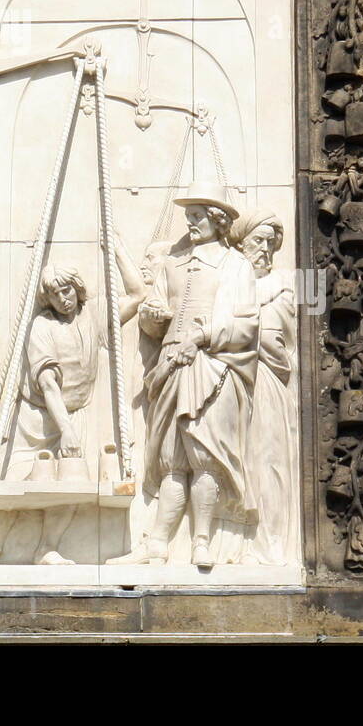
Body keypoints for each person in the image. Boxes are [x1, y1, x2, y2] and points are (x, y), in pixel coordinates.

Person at [111, 182, 259, 569]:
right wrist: (151, 317)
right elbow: (152, 314)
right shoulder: (172, 265)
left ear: (218, 220)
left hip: (214, 369)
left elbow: (247, 325)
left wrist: (203, 336)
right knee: (170, 458)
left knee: (204, 454)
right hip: (171, 367)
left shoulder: (235, 266)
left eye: (198, 216)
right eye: (188, 216)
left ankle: (202, 541)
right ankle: (158, 543)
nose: (191, 223)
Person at [0, 259, 141, 566]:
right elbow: (48, 385)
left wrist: (116, 247)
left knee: (71, 481)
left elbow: (137, 295)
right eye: (55, 295)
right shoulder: (41, 327)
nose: (63, 299)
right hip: (39, 416)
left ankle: (46, 548)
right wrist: (66, 429)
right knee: (19, 479)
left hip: (76, 410)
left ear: (77, 288)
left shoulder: (93, 314)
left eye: (67, 291)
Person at [230, 209, 300, 566]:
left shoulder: (285, 282)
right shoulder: (228, 284)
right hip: (231, 382)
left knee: (269, 460)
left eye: (271, 243)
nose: (265, 249)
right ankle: (237, 542)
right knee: (238, 463)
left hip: (268, 382)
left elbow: (281, 342)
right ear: (240, 244)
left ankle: (270, 545)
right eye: (258, 241)